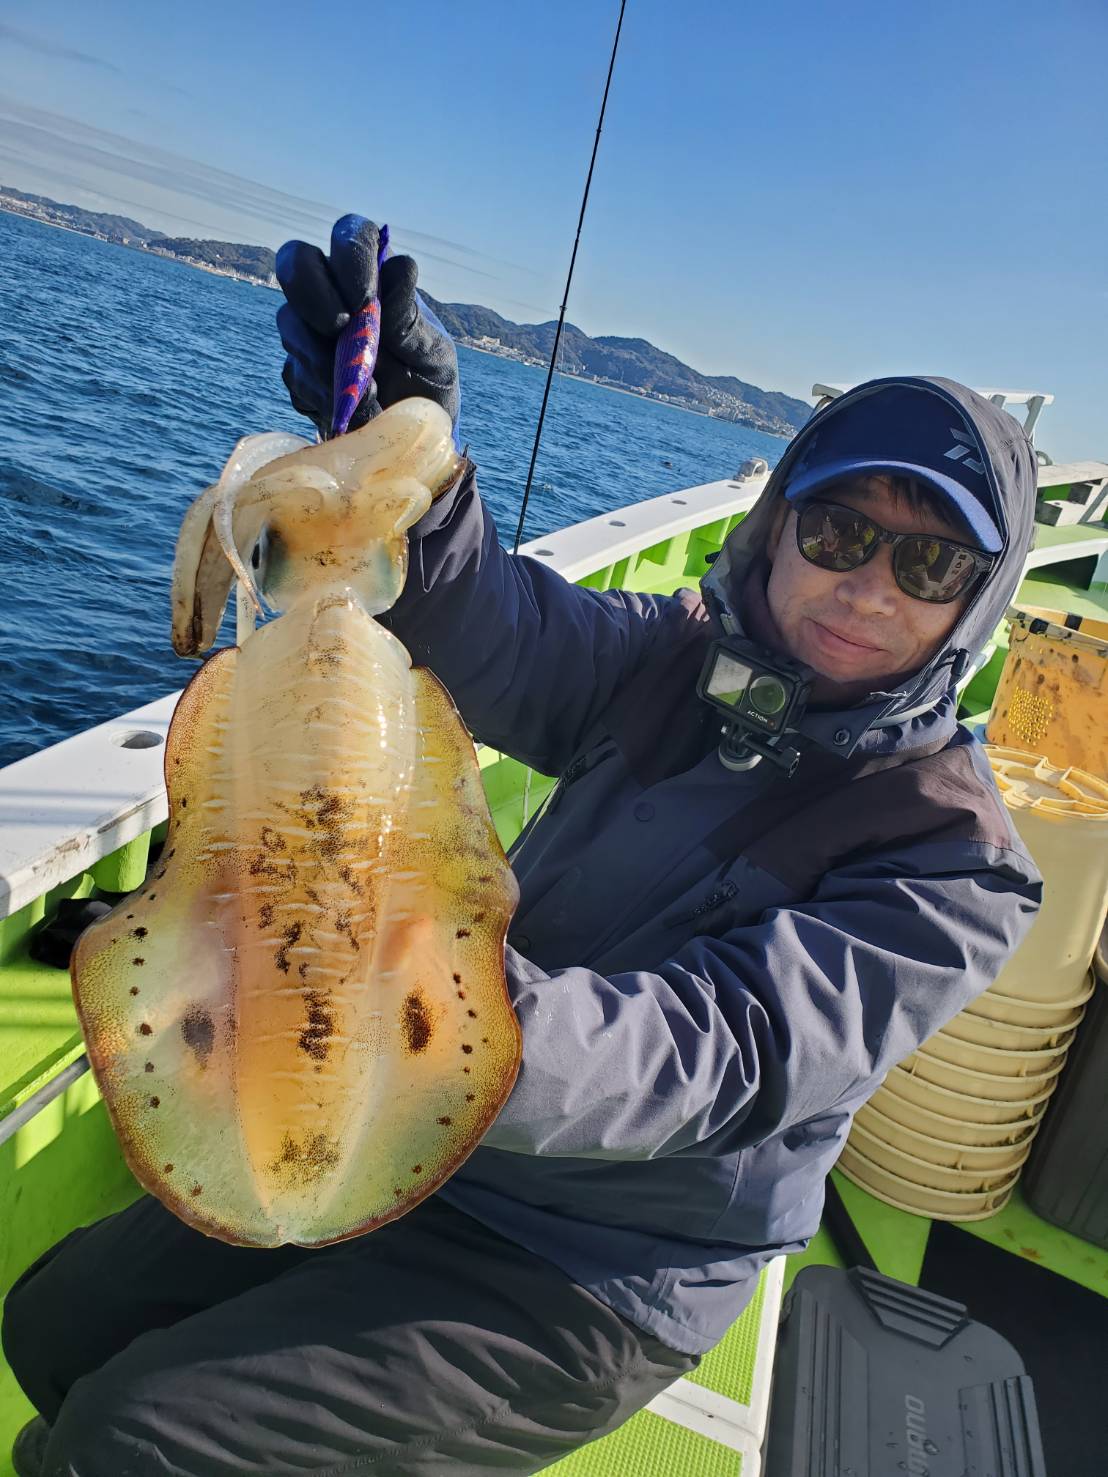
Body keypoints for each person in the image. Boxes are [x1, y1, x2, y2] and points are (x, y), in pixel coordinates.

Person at [3, 216, 1043, 1477]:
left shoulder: (953, 859)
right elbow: (498, 632)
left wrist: (405, 1009)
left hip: (596, 1267)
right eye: (835, 534)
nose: (868, 586)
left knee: (138, 1443)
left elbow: (719, 1054)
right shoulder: (671, 658)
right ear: (775, 530)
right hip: (419, 1120)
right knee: (53, 1320)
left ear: (973, 603)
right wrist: (419, 471)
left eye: (927, 561)